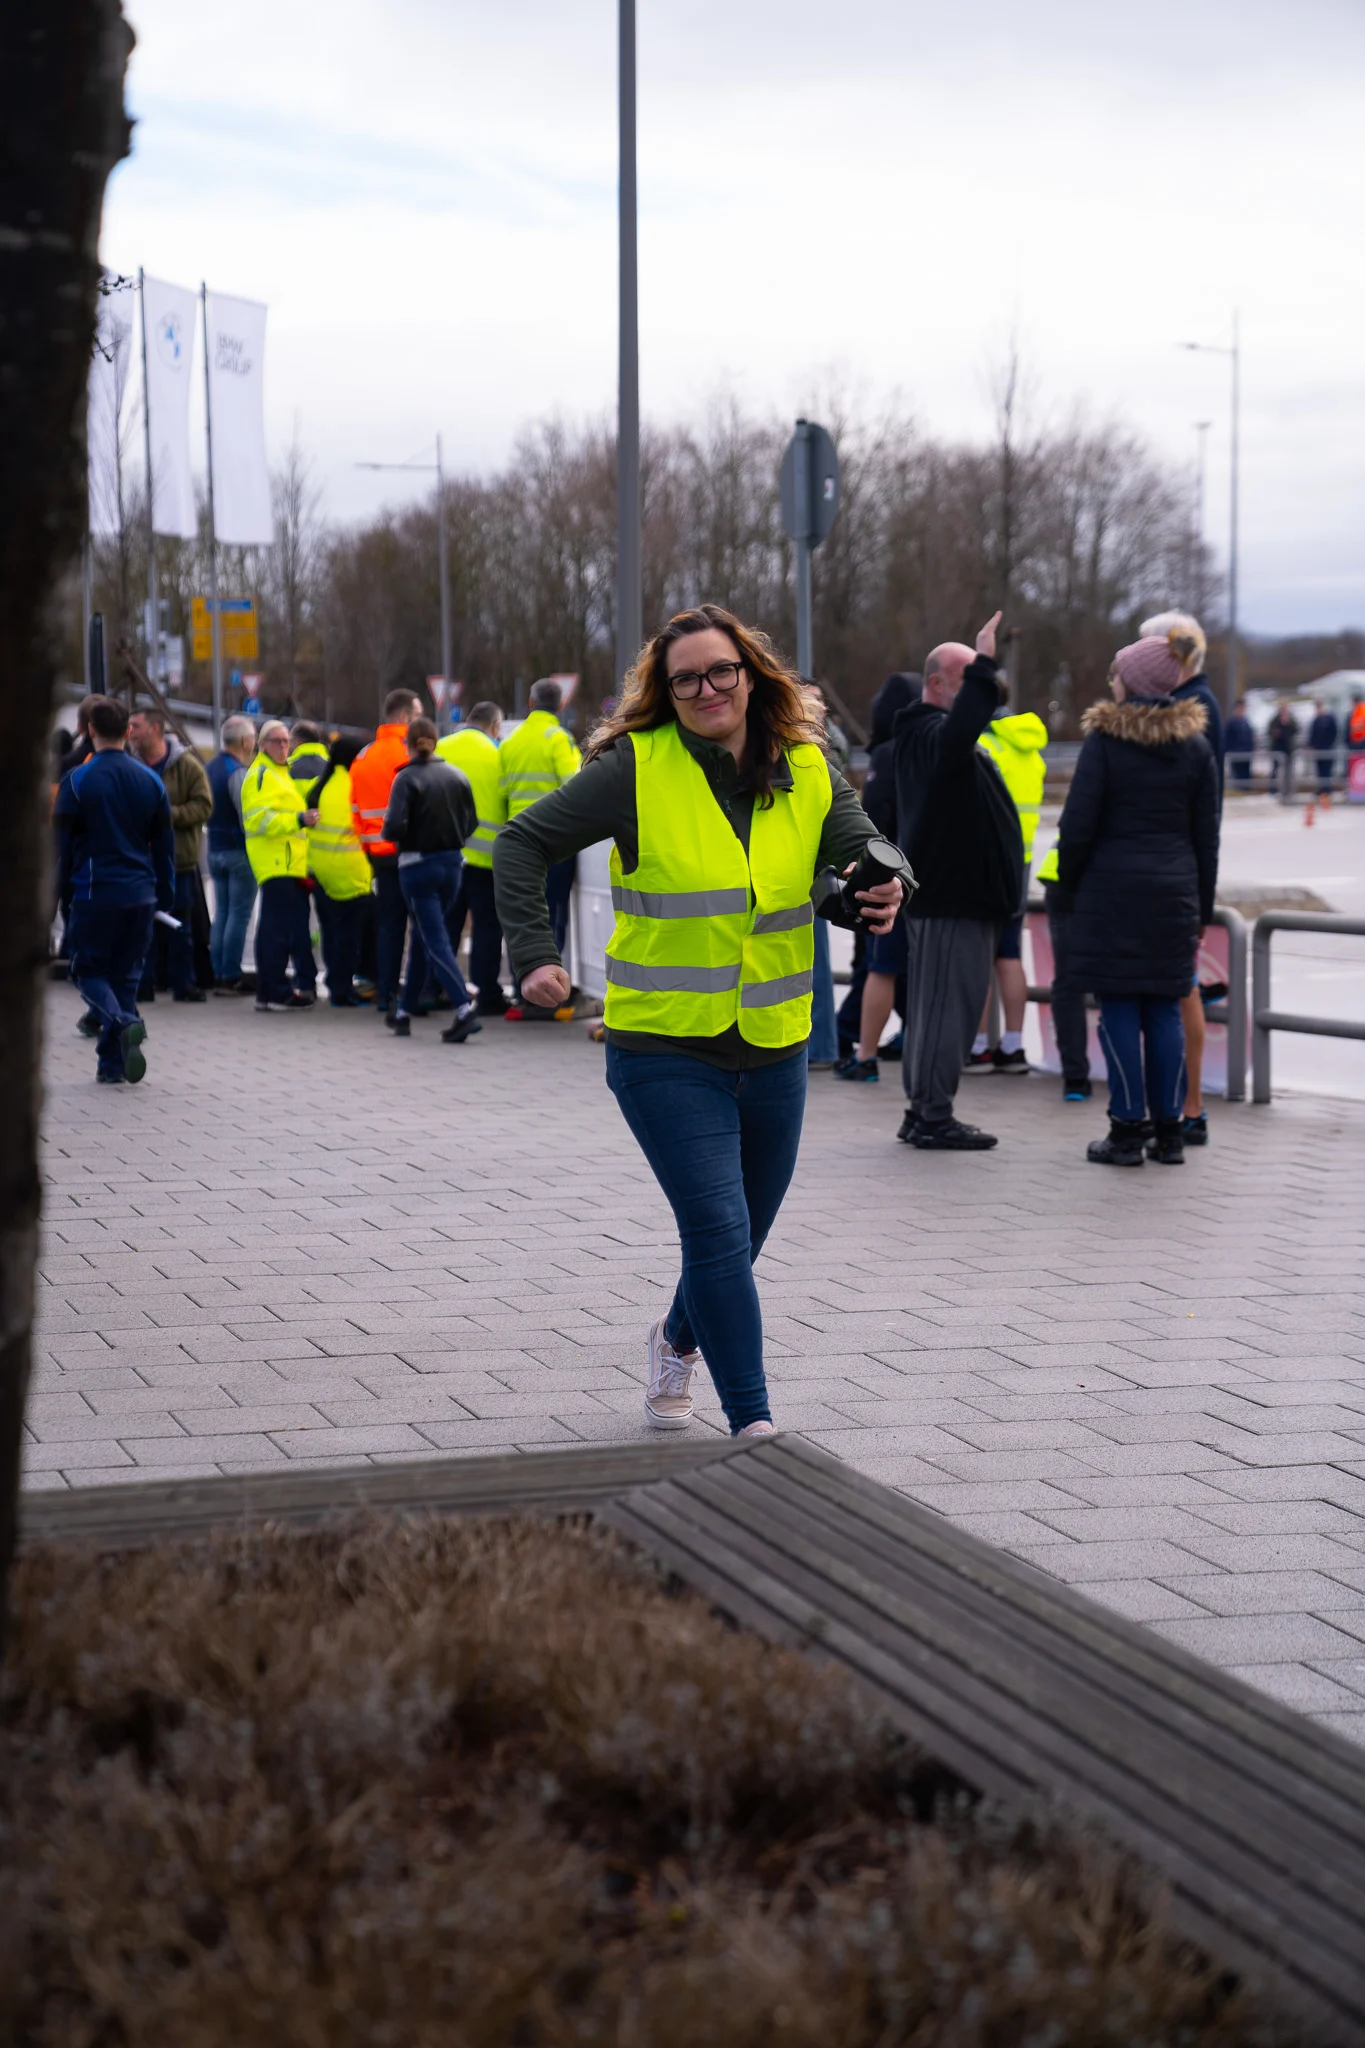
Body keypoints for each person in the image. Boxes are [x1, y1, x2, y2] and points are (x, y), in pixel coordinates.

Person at [494, 603, 903, 1437]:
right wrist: (533, 955)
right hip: (662, 1046)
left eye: (721, 671)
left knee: (739, 1238)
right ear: (666, 691)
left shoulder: (807, 763)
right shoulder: (633, 769)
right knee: (717, 1230)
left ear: (750, 674)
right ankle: (753, 1425)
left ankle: (675, 1339)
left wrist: (880, 886)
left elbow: (857, 849)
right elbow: (520, 844)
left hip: (775, 1043)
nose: (707, 689)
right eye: (685, 680)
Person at [1056, 635, 1219, 1167]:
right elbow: (1207, 838)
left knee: (1120, 1008)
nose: (1113, 682)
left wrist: (1069, 885)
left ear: (1133, 681)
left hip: (1113, 896)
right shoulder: (1196, 747)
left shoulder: (1106, 743)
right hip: (1175, 898)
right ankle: (1169, 1132)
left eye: (1117, 674)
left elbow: (1077, 827)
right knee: (1166, 1009)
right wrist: (1201, 908)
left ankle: (1127, 1130)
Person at [891, 612, 1023, 1150]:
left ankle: (923, 1110)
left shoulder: (934, 737)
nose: (979, 692)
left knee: (941, 1009)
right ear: (936, 683)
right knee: (947, 1010)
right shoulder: (928, 734)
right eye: (967, 680)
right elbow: (959, 732)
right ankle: (932, 1115)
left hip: (960, 898)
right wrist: (986, 660)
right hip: (952, 900)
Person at [53, 696, 174, 1084]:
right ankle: (111, 1065)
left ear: (90, 730)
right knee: (125, 978)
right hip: (141, 892)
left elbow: (61, 850)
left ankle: (123, 1022)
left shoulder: (77, 781)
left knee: (87, 971)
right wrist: (165, 893)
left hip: (95, 891)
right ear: (128, 731)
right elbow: (165, 846)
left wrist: (52, 901)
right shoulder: (151, 781)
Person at [1138, 614, 1222, 1146]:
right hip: (1177, 873)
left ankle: (1189, 1106)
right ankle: (1178, 1105)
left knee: (1182, 989)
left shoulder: (1195, 711)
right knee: (1175, 989)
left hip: (1177, 878)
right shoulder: (1189, 705)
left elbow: (1200, 812)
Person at [835, 672, 919, 1077]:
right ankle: (911, 1037)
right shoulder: (933, 748)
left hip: (889, 876)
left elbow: (872, 826)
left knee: (878, 965)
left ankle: (859, 1049)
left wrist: (866, 871)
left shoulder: (888, 755)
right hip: (924, 878)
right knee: (906, 968)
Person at [380, 717, 482, 1042]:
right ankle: (403, 1012)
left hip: (417, 867)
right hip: (453, 866)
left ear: (407, 744)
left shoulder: (406, 778)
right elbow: (472, 822)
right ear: (435, 742)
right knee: (426, 937)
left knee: (434, 940)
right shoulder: (457, 775)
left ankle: (463, 1008)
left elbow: (392, 828)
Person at [963, 701, 1048, 1077]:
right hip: (1021, 862)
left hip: (986, 862)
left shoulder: (984, 746)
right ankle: (1013, 1045)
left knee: (981, 955)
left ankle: (979, 1046)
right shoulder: (1032, 751)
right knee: (1010, 954)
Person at [498, 677, 581, 997]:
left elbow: (502, 792)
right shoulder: (559, 739)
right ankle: (549, 992)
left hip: (518, 843)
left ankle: (522, 987)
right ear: (561, 705)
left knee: (523, 916)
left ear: (530, 703)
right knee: (553, 915)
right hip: (555, 843)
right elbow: (576, 787)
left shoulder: (510, 742)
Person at [127, 708, 213, 1003]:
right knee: (142, 925)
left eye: (136, 725)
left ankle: (183, 984)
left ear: (155, 728)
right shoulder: (131, 766)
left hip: (179, 861)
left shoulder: (186, 765)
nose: (130, 732)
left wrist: (166, 816)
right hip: (140, 862)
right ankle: (143, 984)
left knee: (180, 925)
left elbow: (204, 806)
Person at [240, 719, 319, 1012]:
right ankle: (275, 990)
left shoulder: (279, 773)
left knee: (276, 929)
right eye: (277, 741)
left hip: (287, 863)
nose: (283, 746)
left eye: (286, 741)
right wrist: (298, 820)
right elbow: (257, 820)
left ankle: (269, 991)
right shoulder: (262, 774)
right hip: (275, 862)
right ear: (262, 745)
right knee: (276, 931)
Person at [351, 690, 423, 1011]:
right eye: (418, 715)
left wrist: (367, 843)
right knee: (421, 925)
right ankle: (417, 994)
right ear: (405, 717)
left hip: (378, 854)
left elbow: (354, 807)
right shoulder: (409, 753)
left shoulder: (363, 756)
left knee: (389, 925)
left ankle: (385, 992)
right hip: (410, 850)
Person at [437, 701, 510, 1013]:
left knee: (445, 926)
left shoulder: (441, 747)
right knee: (487, 928)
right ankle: (487, 994)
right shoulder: (499, 754)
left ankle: (436, 987)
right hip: (485, 860)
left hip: (445, 854)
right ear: (495, 726)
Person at [306, 735, 374, 1006]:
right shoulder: (356, 785)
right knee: (350, 938)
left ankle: (335, 984)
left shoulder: (319, 786)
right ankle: (343, 990)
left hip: (321, 872)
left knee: (331, 933)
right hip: (352, 872)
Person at [1033, 840, 1092, 1099]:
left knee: (1068, 983)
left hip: (1061, 874)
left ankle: (1075, 1079)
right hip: (1108, 876)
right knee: (1119, 983)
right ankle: (1129, 1083)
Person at [206, 714, 258, 992]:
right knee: (239, 915)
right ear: (245, 741)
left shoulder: (210, 767)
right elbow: (246, 817)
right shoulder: (237, 772)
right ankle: (230, 974)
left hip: (214, 848)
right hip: (237, 851)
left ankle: (217, 971)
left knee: (222, 913)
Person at [1306, 701, 1338, 815]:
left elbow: (1334, 733)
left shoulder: (1329, 719)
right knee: (1320, 772)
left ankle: (1327, 791)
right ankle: (1321, 791)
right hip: (1318, 750)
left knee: (1327, 771)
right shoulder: (1316, 720)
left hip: (1327, 750)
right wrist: (1311, 745)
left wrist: (1329, 745)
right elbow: (1312, 734)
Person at [1223, 697, 1255, 788]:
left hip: (1247, 755)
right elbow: (1226, 739)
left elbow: (1250, 738)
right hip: (1236, 755)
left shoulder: (1246, 722)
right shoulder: (1231, 723)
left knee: (1246, 777)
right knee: (1237, 777)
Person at [1267, 702, 1297, 795]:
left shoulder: (1291, 720)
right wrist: (1274, 733)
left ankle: (1287, 790)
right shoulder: (1275, 720)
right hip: (1277, 748)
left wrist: (1288, 723)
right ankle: (1272, 790)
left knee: (1288, 771)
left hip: (1288, 749)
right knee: (1274, 770)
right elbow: (1269, 731)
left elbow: (1296, 730)